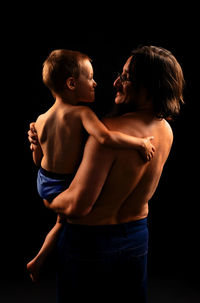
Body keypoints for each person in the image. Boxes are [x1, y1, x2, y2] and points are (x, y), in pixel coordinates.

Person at [27, 49, 156, 283]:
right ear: (72, 83)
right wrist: (139, 143)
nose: (96, 83)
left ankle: (38, 259)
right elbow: (106, 138)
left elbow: (38, 160)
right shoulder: (82, 114)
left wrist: (35, 149)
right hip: (64, 186)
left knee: (60, 224)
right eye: (91, 78)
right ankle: (38, 260)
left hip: (44, 179)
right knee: (62, 222)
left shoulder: (41, 119)